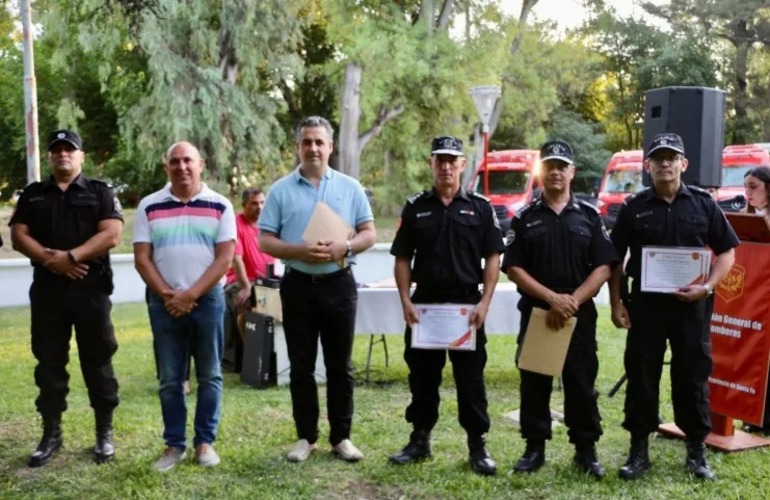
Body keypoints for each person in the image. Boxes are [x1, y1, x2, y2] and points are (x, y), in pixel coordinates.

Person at [609, 133, 739, 481]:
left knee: (692, 376)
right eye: (658, 158)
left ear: (684, 164)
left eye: (672, 157)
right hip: (646, 308)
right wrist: (616, 301)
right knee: (641, 375)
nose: (665, 163)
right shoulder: (634, 206)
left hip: (691, 308)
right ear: (648, 165)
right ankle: (639, 450)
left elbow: (727, 251)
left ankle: (696, 450)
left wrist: (708, 286)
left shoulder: (703, 204)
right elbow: (614, 258)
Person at [259, 116, 376, 463]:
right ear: (298, 147)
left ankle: (341, 437)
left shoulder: (350, 187)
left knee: (340, 366)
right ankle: (305, 437)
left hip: (340, 284)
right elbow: (265, 239)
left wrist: (347, 247)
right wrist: (297, 250)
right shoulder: (280, 190)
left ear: (330, 147)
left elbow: (369, 233)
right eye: (306, 142)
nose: (312, 148)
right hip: (298, 286)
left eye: (319, 142)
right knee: (301, 366)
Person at [388, 136, 504, 476]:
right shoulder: (416, 207)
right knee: (422, 379)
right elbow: (402, 258)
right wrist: (405, 300)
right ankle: (420, 440)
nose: (446, 166)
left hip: (466, 307)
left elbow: (494, 257)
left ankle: (477, 446)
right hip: (425, 307)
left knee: (471, 381)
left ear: (463, 165)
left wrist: (485, 302)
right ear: (431, 164)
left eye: (452, 160)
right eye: (440, 160)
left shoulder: (480, 208)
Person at [502, 141, 617, 479]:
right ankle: (534, 447)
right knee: (535, 382)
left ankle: (585, 449)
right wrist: (552, 299)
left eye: (561, 166)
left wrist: (572, 301)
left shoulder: (590, 216)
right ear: (541, 172)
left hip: (578, 314)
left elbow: (604, 266)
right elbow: (514, 268)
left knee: (581, 382)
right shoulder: (525, 217)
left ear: (571, 172)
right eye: (549, 165)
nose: (555, 171)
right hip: (540, 312)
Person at [9, 129, 123, 467]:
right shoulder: (32, 195)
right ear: (49, 157)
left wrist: (70, 257)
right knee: (49, 363)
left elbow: (113, 234)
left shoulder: (100, 192)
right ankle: (51, 434)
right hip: (48, 291)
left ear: (81, 157)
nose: (63, 155)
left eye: (69, 150)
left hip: (91, 289)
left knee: (98, 360)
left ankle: (104, 432)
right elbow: (18, 235)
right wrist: (51, 261)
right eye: (56, 150)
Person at [133, 141, 236, 471]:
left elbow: (224, 259)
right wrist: (168, 295)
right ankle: (173, 446)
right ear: (167, 167)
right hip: (163, 302)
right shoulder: (149, 206)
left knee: (210, 375)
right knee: (170, 379)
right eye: (175, 162)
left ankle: (204, 443)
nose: (182, 167)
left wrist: (191, 294)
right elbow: (141, 258)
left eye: (188, 160)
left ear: (201, 164)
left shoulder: (221, 205)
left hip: (207, 301)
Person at [223, 187, 275, 370]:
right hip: (239, 281)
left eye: (262, 203)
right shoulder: (235, 223)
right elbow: (236, 259)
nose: (259, 207)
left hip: (266, 282)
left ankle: (278, 359)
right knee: (250, 299)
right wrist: (245, 285)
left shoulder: (267, 225)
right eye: (254, 203)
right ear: (244, 205)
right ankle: (253, 359)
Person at [741, 166, 770, 435]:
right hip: (751, 299)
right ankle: (753, 415)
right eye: (745, 186)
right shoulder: (746, 217)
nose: (747, 192)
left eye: (754, 187)